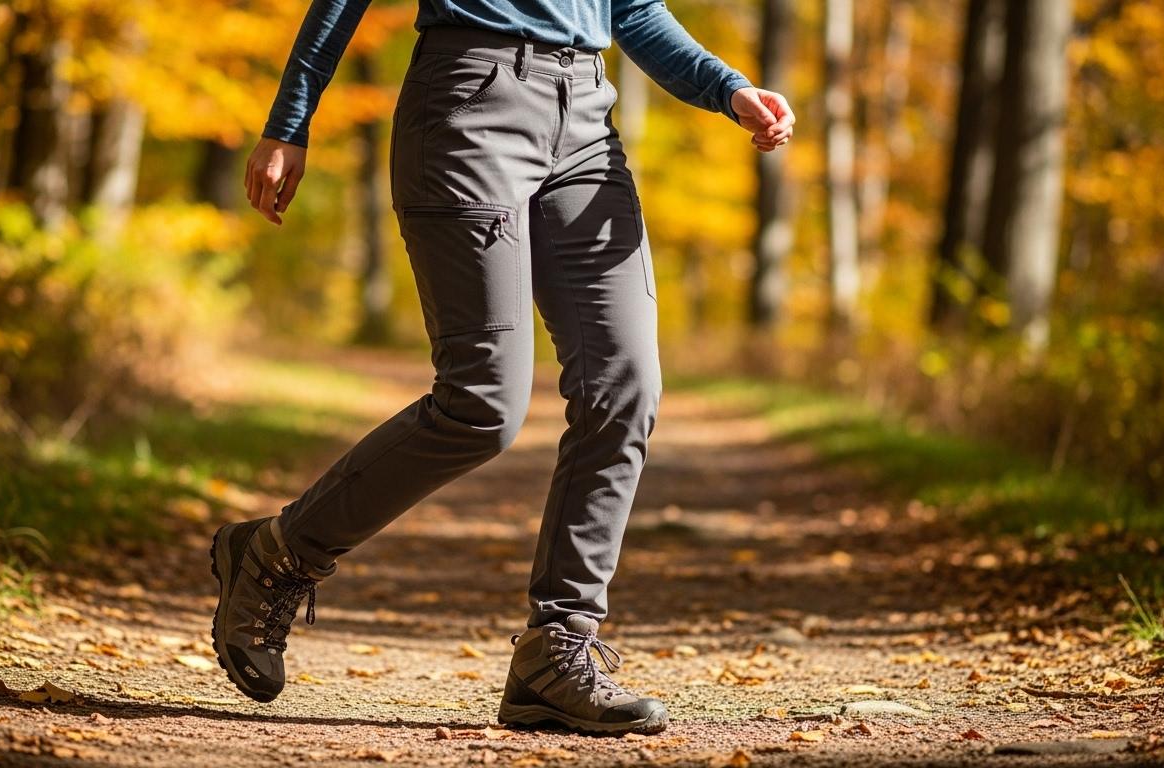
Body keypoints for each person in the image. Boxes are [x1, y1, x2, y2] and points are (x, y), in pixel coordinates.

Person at [210, 0, 794, 736]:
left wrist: (727, 88)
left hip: (584, 116)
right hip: (468, 102)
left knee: (625, 384)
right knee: (481, 403)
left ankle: (556, 652)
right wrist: (289, 122)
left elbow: (635, 10)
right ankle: (277, 555)